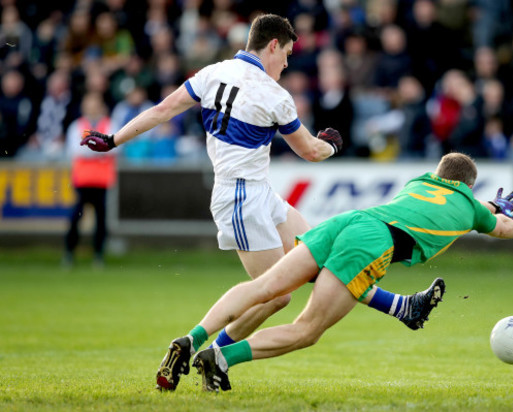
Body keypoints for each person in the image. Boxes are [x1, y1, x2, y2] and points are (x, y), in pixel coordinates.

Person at [79, 14, 437, 390]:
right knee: (275, 293)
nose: (286, 63)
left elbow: (160, 111)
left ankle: (402, 307)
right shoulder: (274, 95)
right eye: (286, 54)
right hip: (240, 197)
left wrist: (113, 140)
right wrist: (332, 142)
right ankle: (194, 344)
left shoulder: (212, 73)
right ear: (271, 45)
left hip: (256, 192)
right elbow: (311, 152)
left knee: (325, 256)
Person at [169, 153, 513, 393]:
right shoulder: (472, 208)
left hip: (348, 222)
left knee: (265, 285)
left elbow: (461, 198)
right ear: (468, 186)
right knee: (307, 330)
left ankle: (193, 337)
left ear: (439, 174)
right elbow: (501, 227)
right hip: (374, 243)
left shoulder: (420, 182)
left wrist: (493, 204)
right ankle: (222, 359)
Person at [63, 92, 117, 268]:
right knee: (75, 218)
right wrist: (100, 149)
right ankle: (69, 253)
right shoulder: (77, 126)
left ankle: (98, 255)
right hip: (82, 180)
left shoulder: (109, 124)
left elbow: (115, 147)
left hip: (102, 181)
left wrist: (91, 148)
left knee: (101, 220)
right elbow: (75, 150)